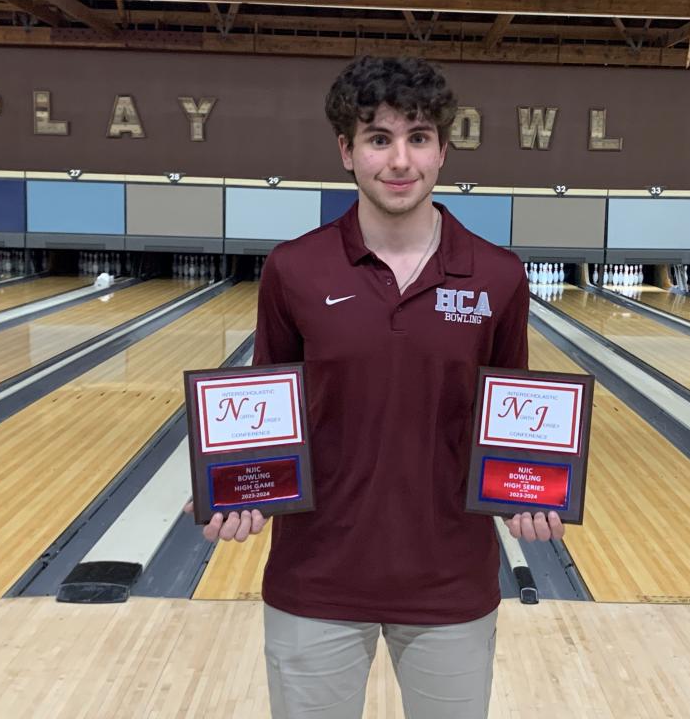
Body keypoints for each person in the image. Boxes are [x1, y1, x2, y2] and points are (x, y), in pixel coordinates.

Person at [185, 55, 565, 718]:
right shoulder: (294, 268)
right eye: (378, 139)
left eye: (418, 138)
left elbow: (512, 414)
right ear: (346, 151)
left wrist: (526, 493)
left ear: (443, 150)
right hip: (316, 581)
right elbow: (266, 405)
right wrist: (237, 489)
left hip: (450, 584)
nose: (399, 160)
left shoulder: (498, 276)